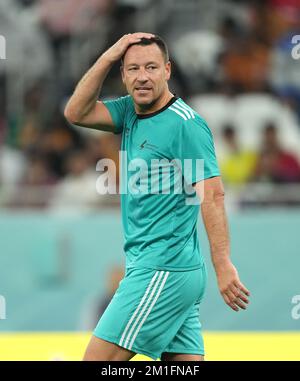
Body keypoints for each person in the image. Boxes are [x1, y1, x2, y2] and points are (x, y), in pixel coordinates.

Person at [64, 33, 250, 361]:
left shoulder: (186, 126)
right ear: (122, 75)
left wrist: (223, 265)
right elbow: (76, 112)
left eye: (151, 67)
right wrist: (108, 56)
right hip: (169, 272)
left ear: (167, 70)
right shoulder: (128, 112)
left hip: (162, 269)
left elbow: (213, 195)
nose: (142, 76)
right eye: (133, 68)